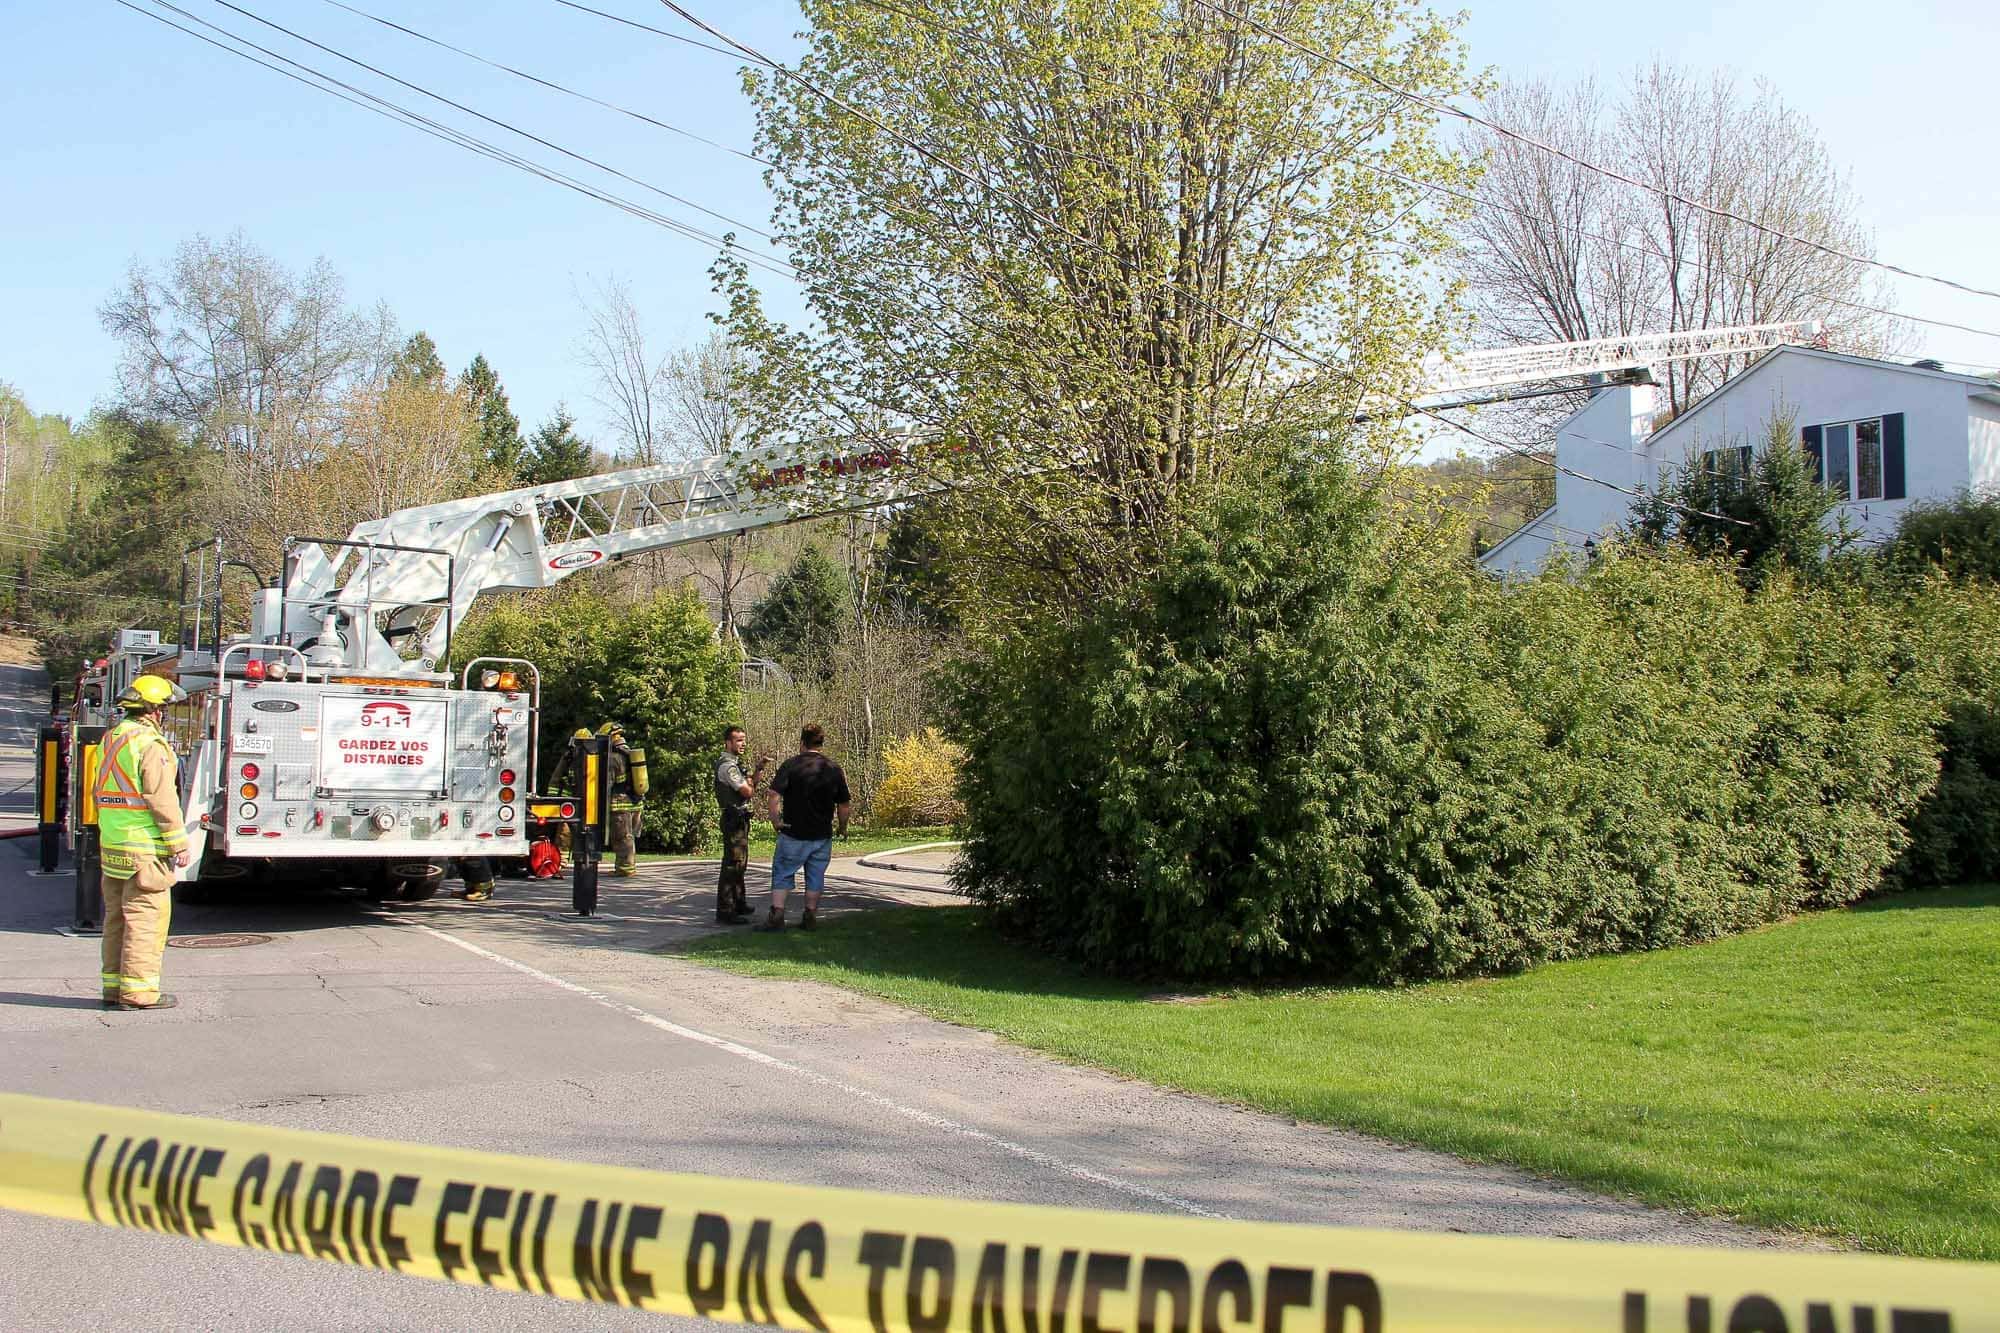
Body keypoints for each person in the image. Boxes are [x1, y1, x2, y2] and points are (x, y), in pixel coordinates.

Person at [93, 674, 192, 1010]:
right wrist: (179, 842)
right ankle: (138, 992)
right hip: (144, 849)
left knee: (117, 920)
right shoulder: (150, 745)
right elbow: (161, 797)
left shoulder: (113, 738)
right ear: (152, 709)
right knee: (145, 921)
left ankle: (113, 988)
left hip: (114, 846)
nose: (164, 714)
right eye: (163, 707)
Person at [760, 723, 850, 932]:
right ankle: (810, 915)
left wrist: (775, 821)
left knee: (783, 872)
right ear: (821, 743)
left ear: (802, 742)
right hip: (821, 835)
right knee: (816, 876)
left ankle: (777, 915)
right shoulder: (833, 769)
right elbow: (844, 805)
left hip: (793, 832)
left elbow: (773, 795)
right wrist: (842, 827)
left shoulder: (791, 765)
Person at [713, 725, 770, 925]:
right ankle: (726, 910)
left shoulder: (735, 764)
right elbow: (747, 791)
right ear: (728, 743)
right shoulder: (727, 766)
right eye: (738, 740)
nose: (742, 743)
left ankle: (739, 903)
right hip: (732, 818)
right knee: (732, 863)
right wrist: (749, 781)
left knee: (741, 862)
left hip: (740, 818)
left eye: (744, 740)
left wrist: (759, 769)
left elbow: (751, 784)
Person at [599, 721, 644, 877]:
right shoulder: (630, 753)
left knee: (622, 837)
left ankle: (625, 869)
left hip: (621, 803)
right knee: (629, 836)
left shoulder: (614, 757)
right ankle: (624, 866)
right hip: (636, 802)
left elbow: (608, 783)